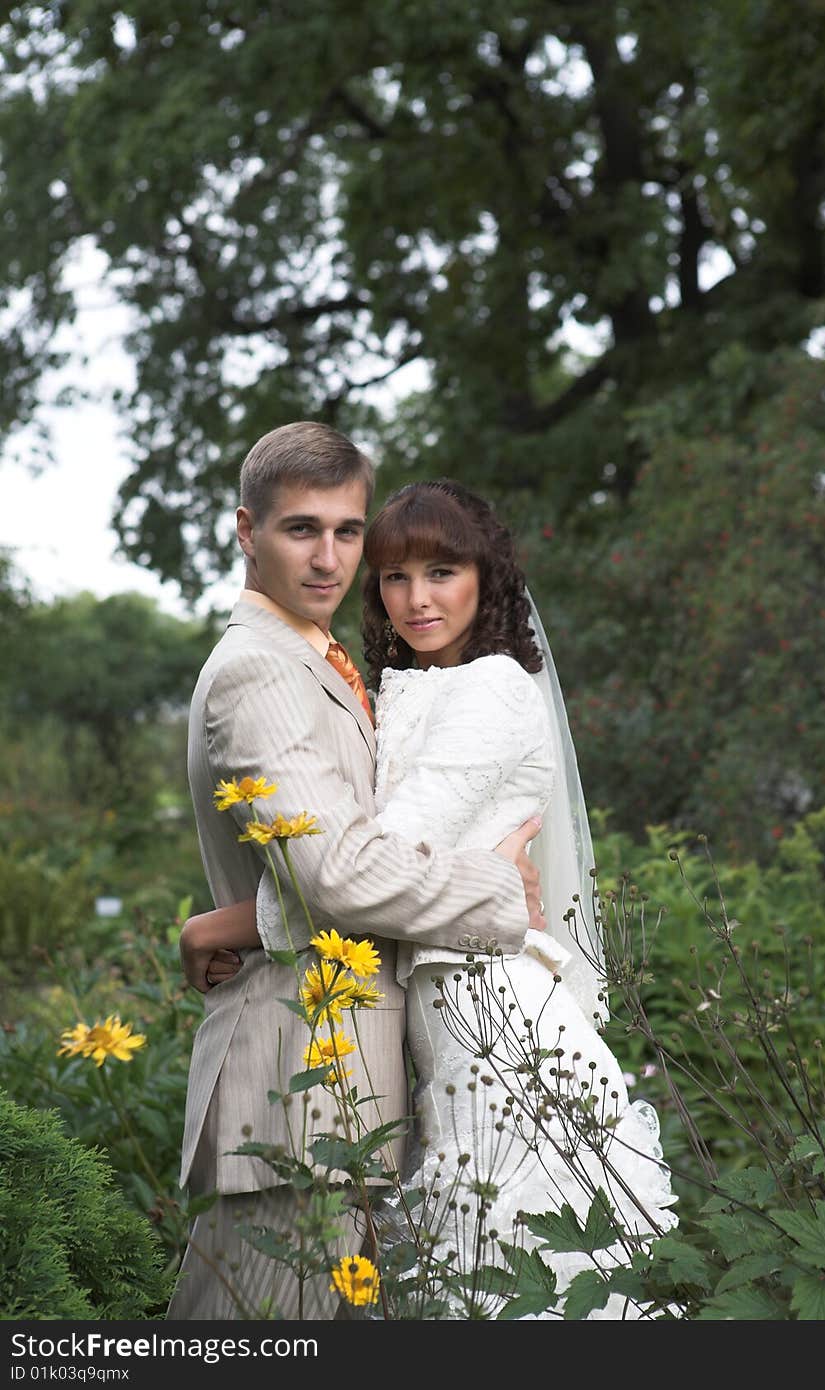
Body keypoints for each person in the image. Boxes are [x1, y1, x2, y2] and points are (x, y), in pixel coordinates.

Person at [188, 477, 678, 1319]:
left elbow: (365, 865)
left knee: (529, 1275)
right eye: (395, 576)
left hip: (499, 1018)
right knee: (467, 1282)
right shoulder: (404, 687)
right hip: (440, 1023)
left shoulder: (492, 690)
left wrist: (222, 925)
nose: (416, 599)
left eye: (442, 573)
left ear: (486, 579)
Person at [166, 424, 545, 1321]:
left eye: (347, 531)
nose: (330, 557)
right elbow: (336, 871)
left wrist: (220, 924)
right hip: (298, 1072)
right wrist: (501, 893)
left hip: (353, 1080)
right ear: (244, 530)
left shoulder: (327, 662)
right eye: (302, 529)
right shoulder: (260, 671)